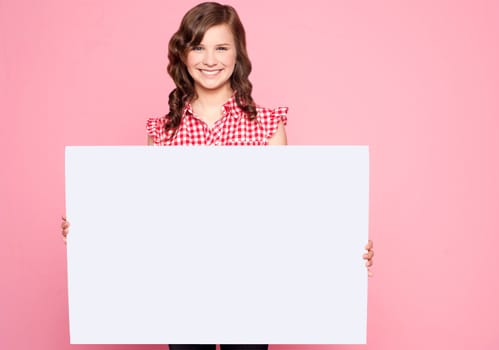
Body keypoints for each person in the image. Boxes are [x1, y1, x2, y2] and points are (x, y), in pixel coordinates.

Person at [61, 2, 374, 350]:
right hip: (181, 287)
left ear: (238, 54)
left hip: (252, 285)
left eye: (221, 47)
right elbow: (149, 216)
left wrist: (342, 248)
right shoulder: (163, 130)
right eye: (198, 47)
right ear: (182, 54)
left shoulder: (267, 125)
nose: (210, 59)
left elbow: (286, 211)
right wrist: (91, 233)